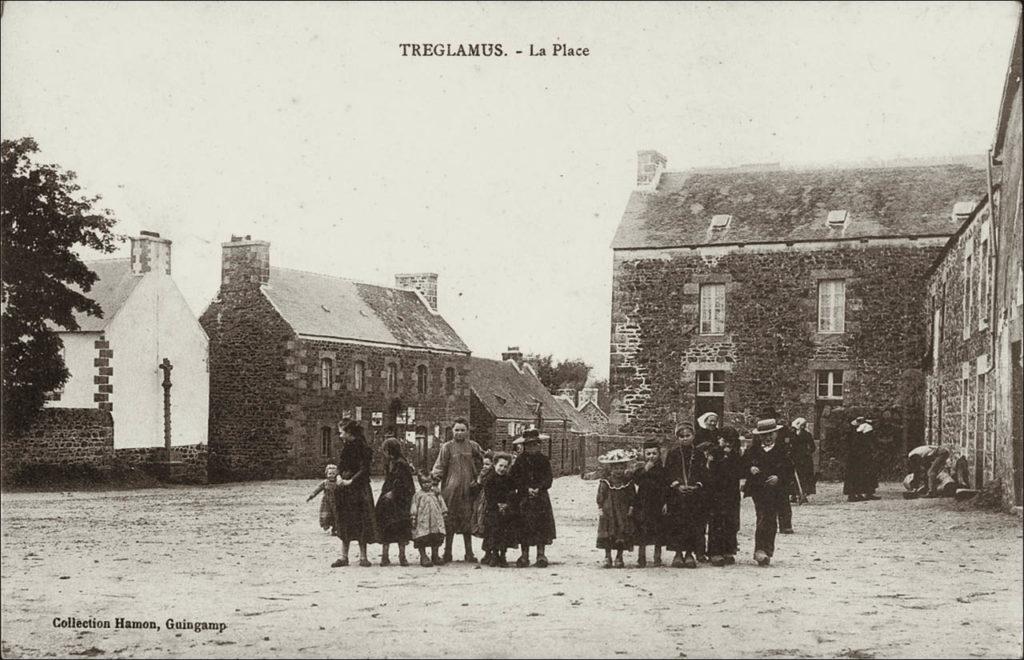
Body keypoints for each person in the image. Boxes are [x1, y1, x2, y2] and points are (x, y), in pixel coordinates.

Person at [743, 417, 795, 566]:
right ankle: (759, 550)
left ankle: (767, 551)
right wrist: (750, 469)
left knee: (771, 520)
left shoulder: (782, 451)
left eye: (770, 434)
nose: (767, 437)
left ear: (776, 434)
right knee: (762, 517)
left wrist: (779, 477)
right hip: (759, 489)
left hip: (777, 490)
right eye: (763, 435)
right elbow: (742, 465)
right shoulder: (753, 450)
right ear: (759, 436)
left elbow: (790, 470)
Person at [431, 417, 484, 563]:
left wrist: (479, 478)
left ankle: (469, 553)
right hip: (450, 491)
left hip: (469, 490)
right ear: (452, 431)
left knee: (467, 520)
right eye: (457, 430)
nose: (459, 433)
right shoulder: (447, 447)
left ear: (467, 431)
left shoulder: (473, 446)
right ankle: (447, 552)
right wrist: (434, 482)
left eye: (462, 430)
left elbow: (485, 461)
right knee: (450, 521)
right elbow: (439, 466)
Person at [333, 421, 379, 567]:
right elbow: (340, 465)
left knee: (362, 521)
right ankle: (343, 556)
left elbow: (364, 469)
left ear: (349, 432)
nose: (340, 435)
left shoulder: (364, 448)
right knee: (345, 521)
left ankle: (363, 557)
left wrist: (351, 481)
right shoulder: (346, 448)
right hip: (345, 490)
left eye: (342, 432)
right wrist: (339, 476)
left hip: (359, 489)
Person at [509, 428, 556, 568]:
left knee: (541, 526)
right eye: (528, 445)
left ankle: (541, 554)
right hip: (524, 499)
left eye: (535, 444)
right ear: (524, 446)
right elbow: (514, 478)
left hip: (541, 498)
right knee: (524, 526)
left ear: (539, 445)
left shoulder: (544, 460)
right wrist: (526, 488)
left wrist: (539, 488)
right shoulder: (519, 461)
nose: (532, 447)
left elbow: (549, 479)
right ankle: (524, 555)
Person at [663, 422, 709, 568]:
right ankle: (678, 553)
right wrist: (677, 485)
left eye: (687, 436)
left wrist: (697, 486)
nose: (684, 439)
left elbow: (704, 473)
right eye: (681, 436)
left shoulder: (699, 454)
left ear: (693, 436)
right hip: (677, 495)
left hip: (694, 495)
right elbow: (668, 473)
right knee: (677, 523)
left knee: (693, 524)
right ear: (677, 438)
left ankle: (689, 553)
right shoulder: (673, 453)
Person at [704, 430, 743, 566]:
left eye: (728, 441)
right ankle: (714, 552)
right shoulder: (714, 453)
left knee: (731, 521)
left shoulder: (736, 454)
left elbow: (740, 471)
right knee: (716, 521)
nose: (725, 443)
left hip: (731, 493)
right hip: (716, 492)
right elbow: (710, 471)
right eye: (722, 440)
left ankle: (728, 550)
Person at [375, 436, 415, 567]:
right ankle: (385, 556)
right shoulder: (391, 463)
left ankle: (402, 555)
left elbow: (405, 483)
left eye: (385, 450)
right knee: (387, 528)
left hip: (399, 501)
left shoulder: (400, 464)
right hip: (388, 501)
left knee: (401, 529)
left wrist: (394, 492)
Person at [596, 449, 637, 568]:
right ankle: (607, 556)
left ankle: (619, 556)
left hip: (623, 512)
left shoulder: (627, 482)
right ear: (610, 469)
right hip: (609, 511)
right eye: (615, 468)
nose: (618, 471)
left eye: (620, 468)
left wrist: (631, 507)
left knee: (621, 532)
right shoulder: (606, 481)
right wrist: (600, 508)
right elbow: (601, 495)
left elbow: (632, 495)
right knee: (608, 533)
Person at [631, 439, 667, 568]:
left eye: (654, 454)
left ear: (659, 454)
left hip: (657, 503)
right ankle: (641, 558)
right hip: (643, 504)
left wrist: (665, 503)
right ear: (644, 455)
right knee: (642, 530)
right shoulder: (641, 469)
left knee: (658, 530)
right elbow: (636, 480)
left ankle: (657, 557)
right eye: (648, 454)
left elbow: (665, 487)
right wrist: (645, 469)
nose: (651, 457)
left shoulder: (663, 470)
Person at [482, 453, 517, 567]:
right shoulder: (490, 478)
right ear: (495, 465)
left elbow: (512, 492)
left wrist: (507, 504)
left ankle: (503, 555)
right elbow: (488, 495)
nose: (502, 469)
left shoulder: (508, 479)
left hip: (506, 510)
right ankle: (493, 554)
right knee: (493, 532)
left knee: (504, 532)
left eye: (505, 467)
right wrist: (497, 505)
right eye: (500, 466)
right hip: (493, 509)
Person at [410, 471, 448, 567]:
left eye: (429, 482)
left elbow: (441, 503)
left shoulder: (436, 493)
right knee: (422, 538)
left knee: (436, 537)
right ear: (420, 483)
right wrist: (413, 517)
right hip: (423, 521)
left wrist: (444, 512)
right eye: (424, 482)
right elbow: (414, 506)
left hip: (435, 520)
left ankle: (435, 555)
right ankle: (423, 556)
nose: (427, 485)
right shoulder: (418, 495)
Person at [843, 416, 880, 502]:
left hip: (857, 457)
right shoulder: (862, 435)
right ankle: (856, 494)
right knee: (858, 474)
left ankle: (860, 493)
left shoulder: (855, 433)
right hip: (859, 457)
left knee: (860, 474)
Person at [472, 452, 495, 565]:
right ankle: (487, 553)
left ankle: (491, 553)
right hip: (482, 502)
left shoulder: (493, 475)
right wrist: (478, 481)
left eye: (487, 464)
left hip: (490, 503)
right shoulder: (482, 474)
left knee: (490, 529)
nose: (484, 466)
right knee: (485, 527)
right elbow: (477, 487)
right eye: (483, 464)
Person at [788, 418, 816, 504]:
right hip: (793, 458)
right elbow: (788, 445)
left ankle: (803, 494)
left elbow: (813, 447)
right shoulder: (791, 435)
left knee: (804, 476)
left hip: (804, 460)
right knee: (793, 477)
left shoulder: (807, 435)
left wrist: (807, 453)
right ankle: (794, 494)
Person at [306, 463, 338, 533]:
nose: (331, 475)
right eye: (330, 473)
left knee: (336, 515)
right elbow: (317, 490)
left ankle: (335, 529)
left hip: (336, 502)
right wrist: (311, 496)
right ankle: (327, 526)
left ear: (336, 474)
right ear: (326, 474)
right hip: (326, 502)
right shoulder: (325, 483)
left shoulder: (338, 483)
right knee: (326, 515)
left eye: (333, 473)